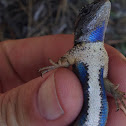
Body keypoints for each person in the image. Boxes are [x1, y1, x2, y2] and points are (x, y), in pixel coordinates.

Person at [0, 34, 126, 126]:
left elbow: (101, 80)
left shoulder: (101, 51)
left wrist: (115, 92)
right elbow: (65, 61)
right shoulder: (79, 49)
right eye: (87, 11)